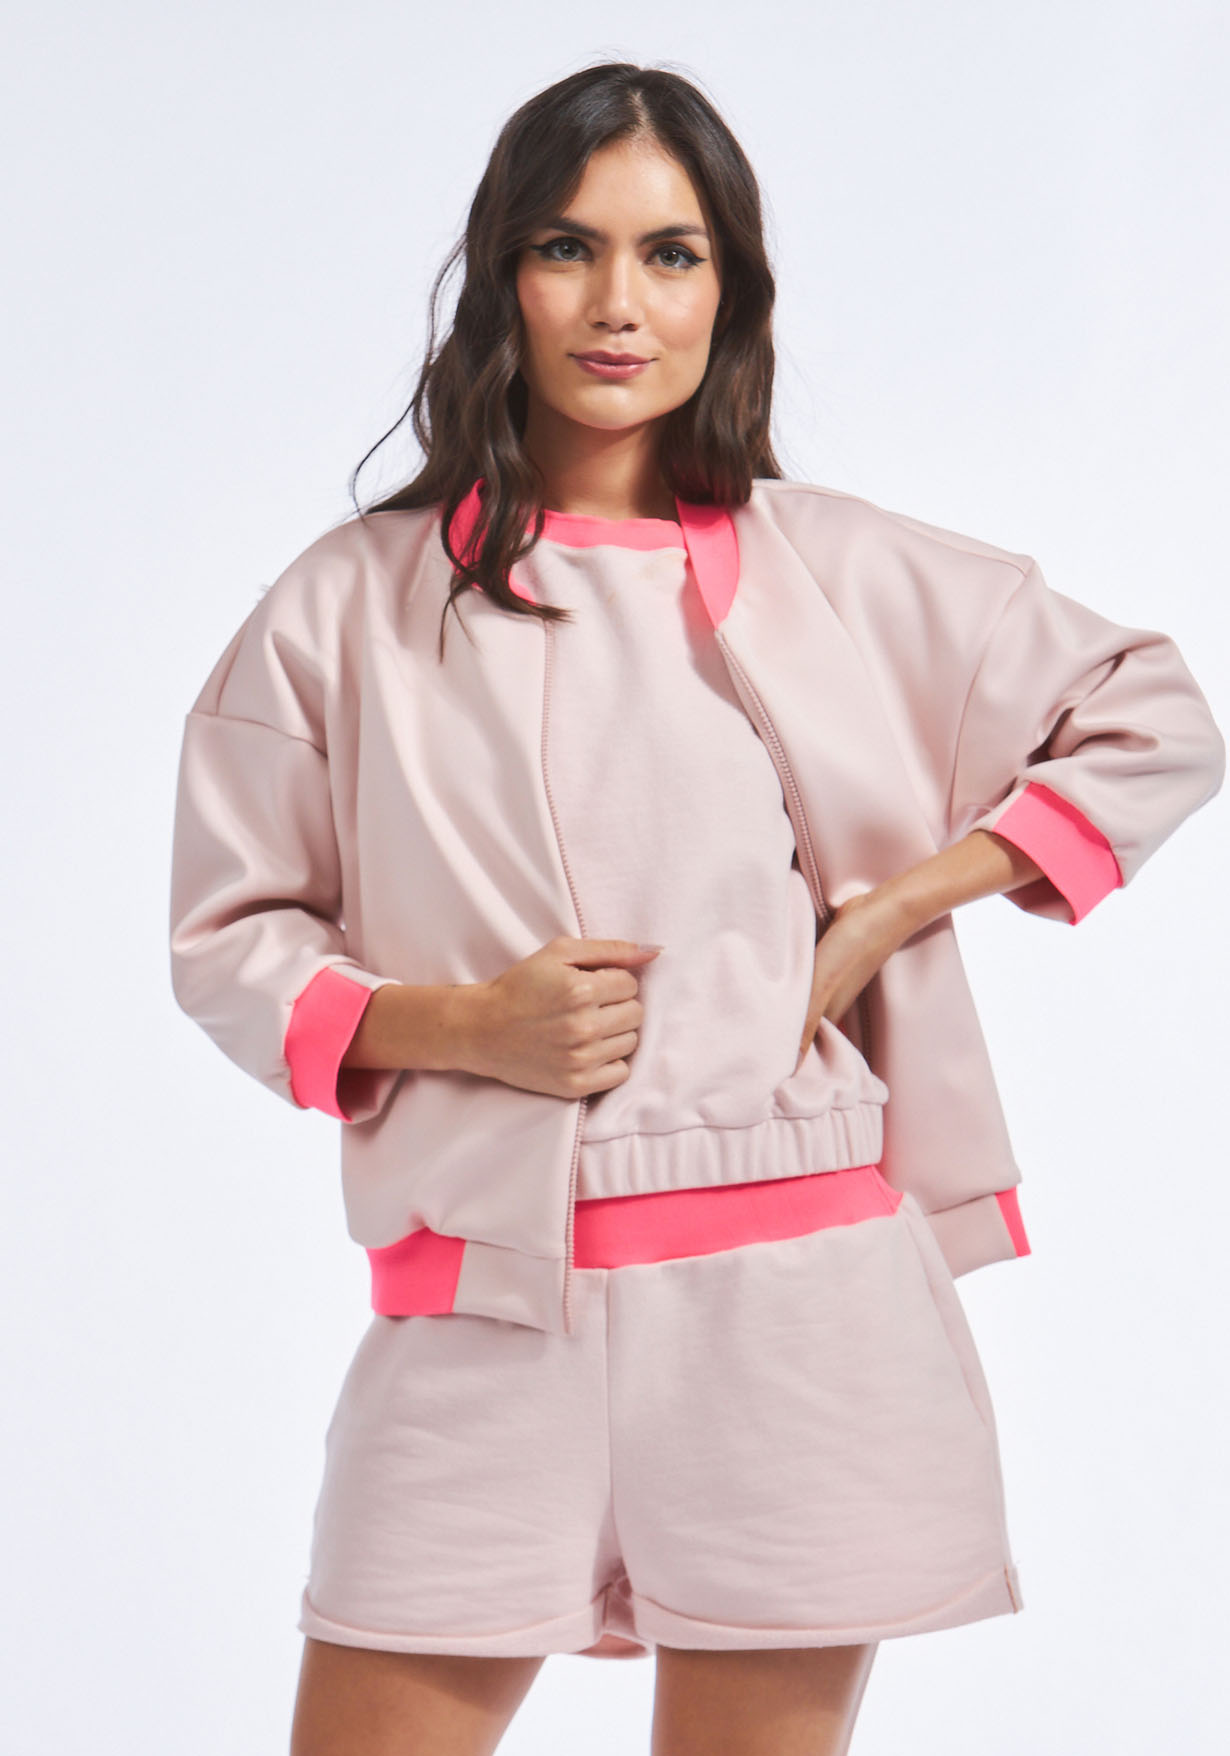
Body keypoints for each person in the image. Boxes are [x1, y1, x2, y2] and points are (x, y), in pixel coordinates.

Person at [168, 61, 1224, 1756]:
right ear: (501, 275)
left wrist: (887, 914)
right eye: (566, 247)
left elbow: (1152, 716)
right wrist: (461, 1027)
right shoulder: (347, 603)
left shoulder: (836, 565)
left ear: (726, 291)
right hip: (481, 1320)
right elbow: (231, 936)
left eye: (671, 255)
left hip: (797, 1315)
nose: (618, 303)